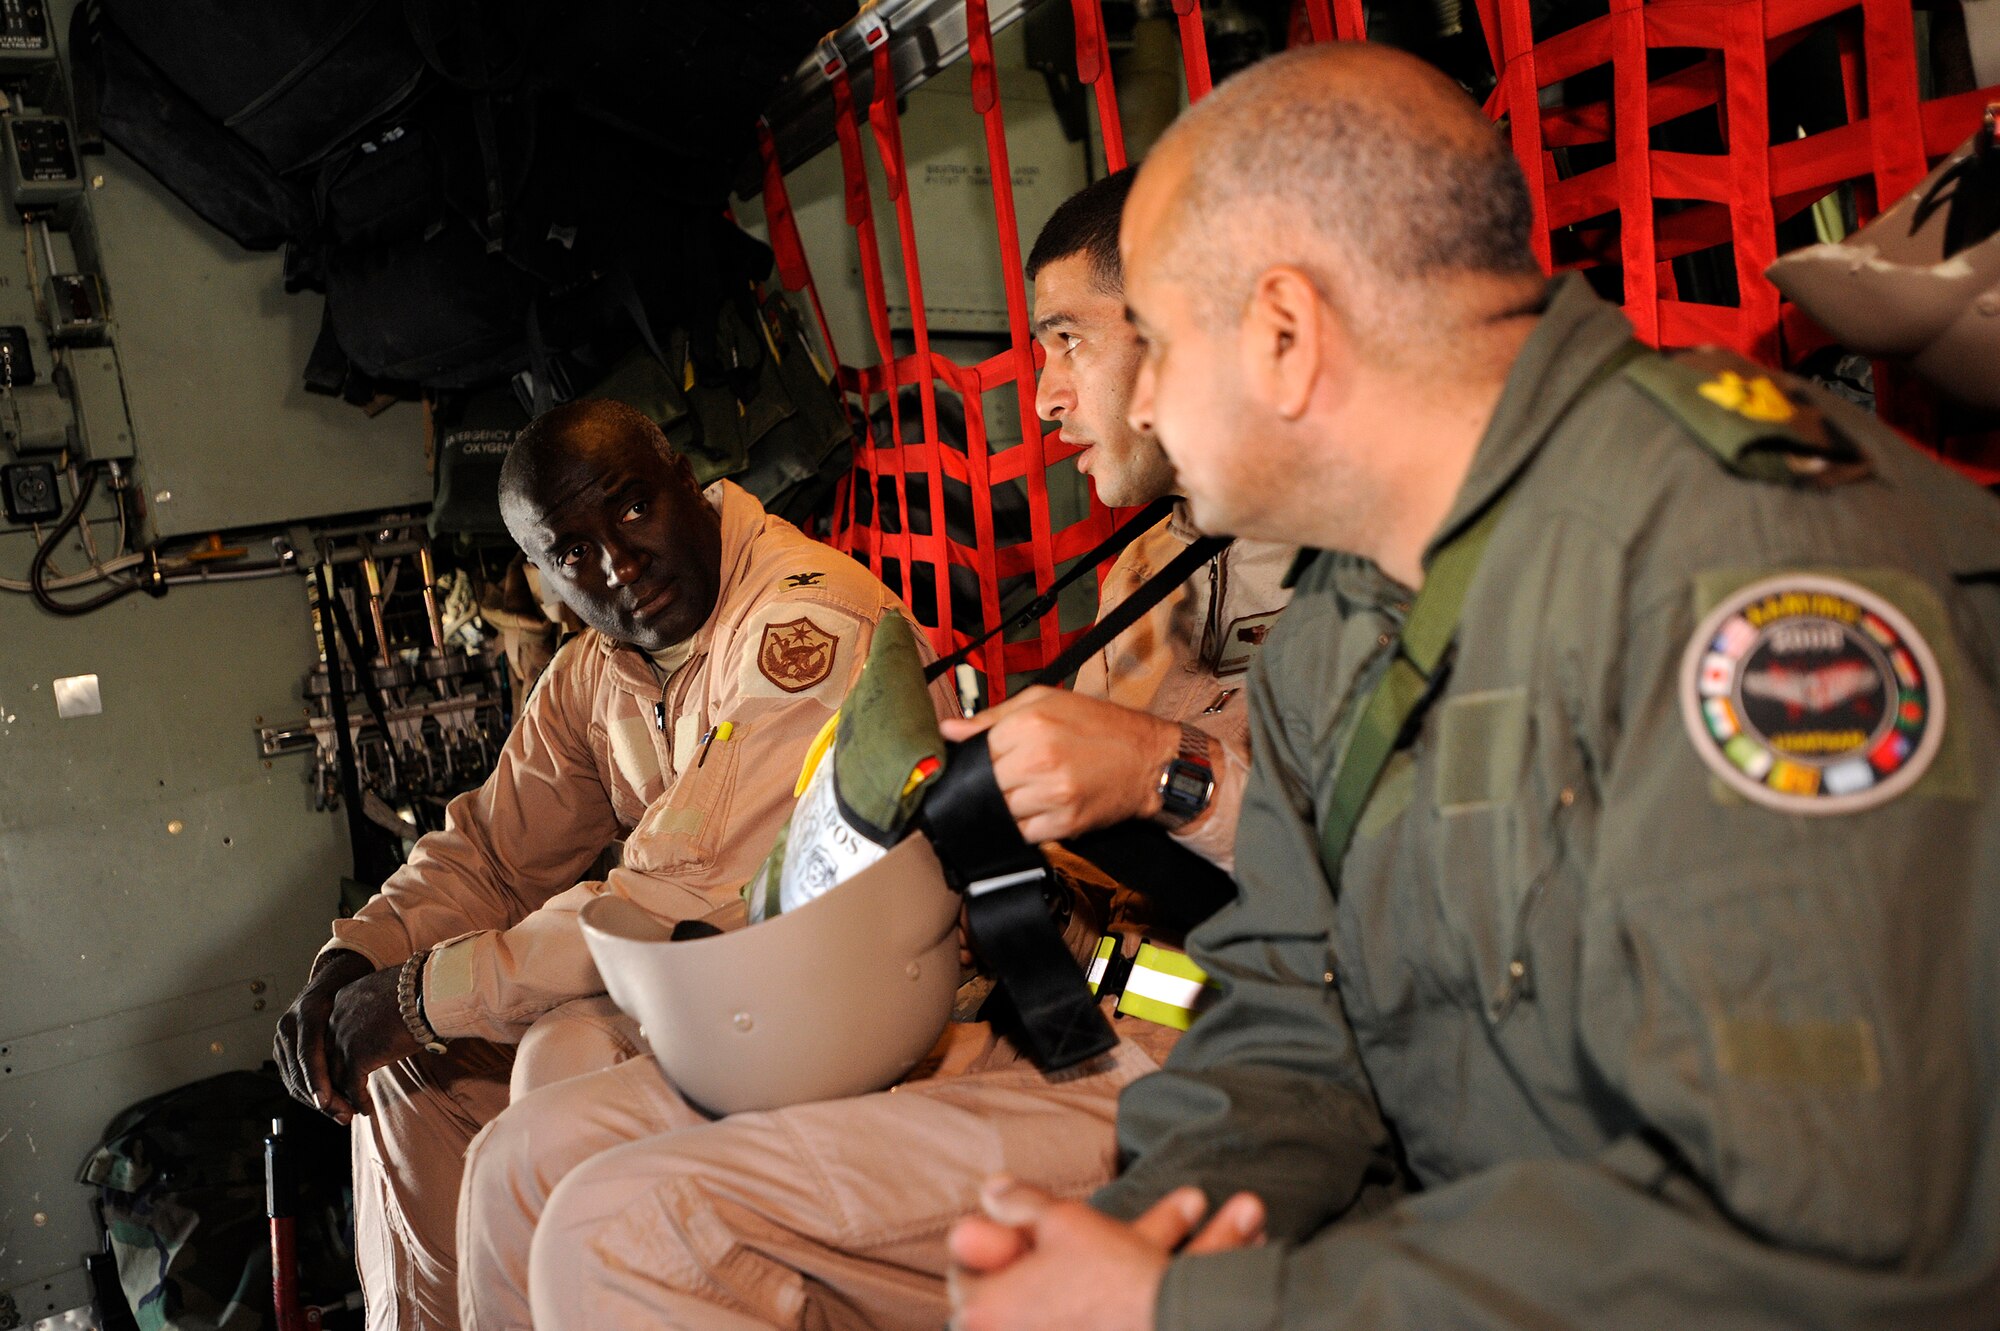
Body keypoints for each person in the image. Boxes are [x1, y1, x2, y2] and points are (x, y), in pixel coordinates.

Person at [947, 42, 2000, 1331]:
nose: (1143, 397)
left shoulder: (1744, 572)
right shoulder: (1346, 617)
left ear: (1284, 333)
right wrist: (1139, 1237)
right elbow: (1290, 1005)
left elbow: (1834, 1216)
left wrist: (1205, 1310)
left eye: (1154, 343)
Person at [453, 169, 1295, 1331]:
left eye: (1062, 342)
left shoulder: (1377, 585)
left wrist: (1163, 769)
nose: (1041, 400)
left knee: (621, 1221)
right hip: (1044, 1008)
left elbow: (1400, 895)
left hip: (1209, 1063)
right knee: (530, 1148)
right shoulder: (1145, 572)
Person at [271, 397, 931, 1331]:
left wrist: (419, 994)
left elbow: (672, 894)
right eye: (572, 551)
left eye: (629, 508)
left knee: (560, 1049)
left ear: (686, 486)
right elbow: (494, 853)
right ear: (543, 578)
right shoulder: (601, 667)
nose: (618, 563)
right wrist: (360, 959)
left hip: (849, 992)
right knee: (404, 1075)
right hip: (713, 998)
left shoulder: (801, 624)